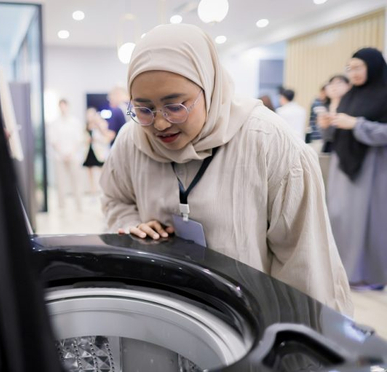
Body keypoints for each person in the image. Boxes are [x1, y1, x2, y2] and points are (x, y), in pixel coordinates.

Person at [100, 23, 352, 314]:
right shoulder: (132, 140)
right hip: (165, 306)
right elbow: (115, 198)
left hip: (252, 317)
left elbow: (305, 262)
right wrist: (131, 223)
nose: (159, 123)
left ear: (210, 87)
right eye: (143, 109)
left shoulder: (269, 144)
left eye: (175, 105)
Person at [317, 48, 387, 291]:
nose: (354, 73)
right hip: (343, 164)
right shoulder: (349, 97)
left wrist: (357, 124)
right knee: (340, 218)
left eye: (359, 67)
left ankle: (372, 275)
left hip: (372, 168)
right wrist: (327, 124)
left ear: (373, 66)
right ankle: (343, 270)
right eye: (350, 68)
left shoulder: (384, 94)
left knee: (369, 223)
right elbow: (335, 131)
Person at [48, 99, 84, 210]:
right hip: (59, 157)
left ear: (68, 106)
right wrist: (62, 153)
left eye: (65, 106)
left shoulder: (75, 122)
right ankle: (61, 206)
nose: (63, 108)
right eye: (61, 106)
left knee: (76, 182)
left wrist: (71, 153)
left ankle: (79, 205)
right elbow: (53, 140)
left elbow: (79, 139)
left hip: (73, 156)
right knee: (61, 182)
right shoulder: (55, 123)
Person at [319, 75, 351, 153]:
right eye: (331, 84)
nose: (334, 87)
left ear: (349, 86)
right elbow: (324, 135)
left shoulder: (352, 107)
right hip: (329, 148)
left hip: (347, 148)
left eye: (339, 83)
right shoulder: (324, 109)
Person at [82, 108, 110, 194]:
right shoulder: (86, 126)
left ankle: (104, 190)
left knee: (102, 171)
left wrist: (98, 127)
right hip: (89, 151)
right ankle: (93, 190)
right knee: (90, 172)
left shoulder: (102, 124)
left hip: (99, 151)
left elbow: (106, 137)